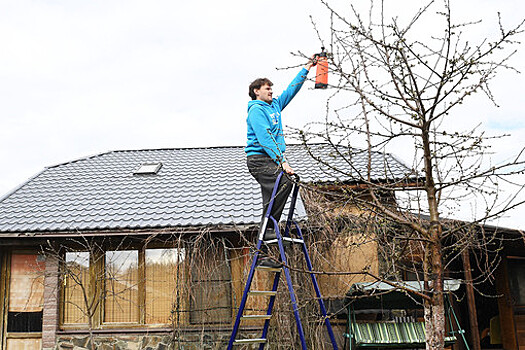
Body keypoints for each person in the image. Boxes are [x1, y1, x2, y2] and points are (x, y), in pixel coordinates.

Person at [246, 58, 314, 267]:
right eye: (267, 89)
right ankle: (267, 231)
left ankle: (260, 254)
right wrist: (282, 161)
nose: (271, 92)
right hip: (259, 160)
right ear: (256, 91)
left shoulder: (274, 105)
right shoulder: (256, 110)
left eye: (271, 89)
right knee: (285, 180)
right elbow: (265, 137)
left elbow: (290, 91)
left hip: (270, 159)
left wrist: (306, 69)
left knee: (274, 197)